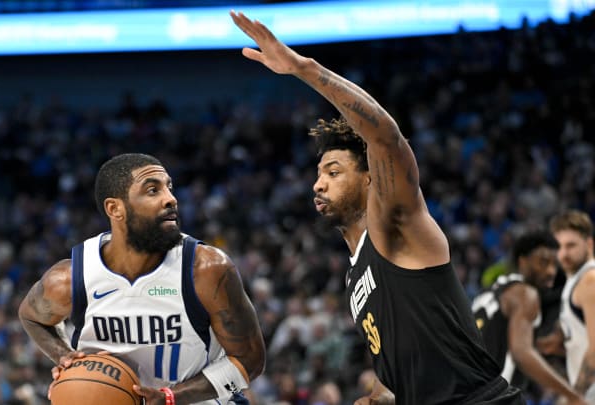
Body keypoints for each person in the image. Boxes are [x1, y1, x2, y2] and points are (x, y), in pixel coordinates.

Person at [229, 11, 522, 404]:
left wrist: (304, 69)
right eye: (318, 173)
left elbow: (385, 137)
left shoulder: (393, 226)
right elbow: (398, 374)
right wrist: (376, 397)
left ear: (370, 178)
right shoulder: (354, 278)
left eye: (333, 171)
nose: (318, 183)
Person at [18, 153, 266, 404]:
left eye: (169, 188)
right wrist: (63, 355)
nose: (171, 199)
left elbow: (250, 362)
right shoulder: (70, 279)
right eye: (152, 190)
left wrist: (171, 397)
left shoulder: (207, 269)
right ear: (115, 209)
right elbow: (30, 316)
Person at [472, 230, 586, 404]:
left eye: (554, 265)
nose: (551, 271)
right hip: (494, 398)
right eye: (543, 262)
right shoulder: (526, 293)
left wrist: (542, 346)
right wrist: (572, 395)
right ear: (522, 261)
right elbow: (521, 352)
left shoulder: (494, 291)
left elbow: (501, 344)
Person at [549, 210, 595, 401]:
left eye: (571, 246)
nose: (563, 254)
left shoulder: (589, 281)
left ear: (589, 243)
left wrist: (574, 396)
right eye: (559, 247)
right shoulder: (575, 279)